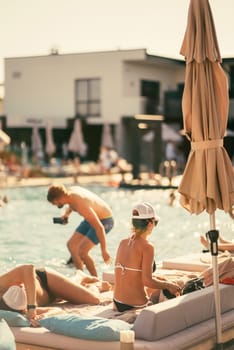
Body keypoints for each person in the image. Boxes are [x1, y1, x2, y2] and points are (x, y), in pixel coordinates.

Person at [113, 202, 181, 312]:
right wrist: (168, 285)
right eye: (155, 222)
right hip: (136, 305)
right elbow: (147, 281)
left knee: (163, 285)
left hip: (117, 302)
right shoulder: (147, 247)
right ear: (150, 224)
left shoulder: (123, 242)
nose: (154, 226)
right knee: (172, 291)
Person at [47, 184, 114, 277]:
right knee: (71, 245)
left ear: (59, 198)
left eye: (54, 203)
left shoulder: (81, 205)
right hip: (90, 218)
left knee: (82, 252)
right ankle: (81, 275)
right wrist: (66, 215)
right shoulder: (69, 193)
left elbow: (99, 227)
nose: (55, 205)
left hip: (105, 221)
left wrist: (104, 251)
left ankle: (96, 279)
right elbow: (70, 205)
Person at [0, 264, 100, 325]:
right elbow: (57, 310)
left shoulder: (1, 284)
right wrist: (45, 315)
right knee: (75, 294)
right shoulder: (20, 311)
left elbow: (27, 268)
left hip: (46, 280)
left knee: (94, 299)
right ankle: (79, 280)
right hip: (51, 298)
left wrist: (32, 307)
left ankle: (82, 277)